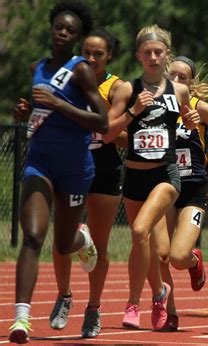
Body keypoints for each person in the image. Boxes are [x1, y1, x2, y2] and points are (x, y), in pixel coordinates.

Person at [9, 1, 108, 343]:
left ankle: (84, 239)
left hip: (75, 168)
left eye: (71, 30)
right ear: (51, 29)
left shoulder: (81, 71)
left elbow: (102, 121)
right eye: (59, 27)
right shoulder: (37, 66)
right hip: (40, 162)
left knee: (64, 243)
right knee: (33, 236)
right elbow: (39, 110)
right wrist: (25, 111)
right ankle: (21, 319)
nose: (63, 33)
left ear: (78, 37)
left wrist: (60, 104)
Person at [106, 24, 200, 331]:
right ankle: (160, 292)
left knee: (141, 229)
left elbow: (188, 118)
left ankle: (133, 303)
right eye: (147, 52)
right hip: (134, 176)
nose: (153, 57)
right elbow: (107, 133)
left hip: (166, 175)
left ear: (167, 55)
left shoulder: (180, 90)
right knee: (141, 241)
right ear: (138, 56)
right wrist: (133, 110)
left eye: (158, 52)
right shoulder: (126, 89)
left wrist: (191, 118)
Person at [151, 56, 208, 331]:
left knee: (178, 257)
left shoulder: (201, 109)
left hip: (192, 189)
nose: (176, 81)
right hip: (163, 186)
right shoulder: (152, 106)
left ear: (191, 83)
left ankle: (193, 260)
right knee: (160, 254)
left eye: (183, 78)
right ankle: (171, 312)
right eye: (172, 76)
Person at [48, 28, 125, 338]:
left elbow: (116, 133)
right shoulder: (66, 79)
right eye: (87, 52)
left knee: (101, 245)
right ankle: (64, 295)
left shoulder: (117, 87)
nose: (91, 58)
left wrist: (90, 118)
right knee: (61, 238)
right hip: (70, 165)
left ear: (109, 57)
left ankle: (93, 308)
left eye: (98, 54)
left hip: (104, 169)